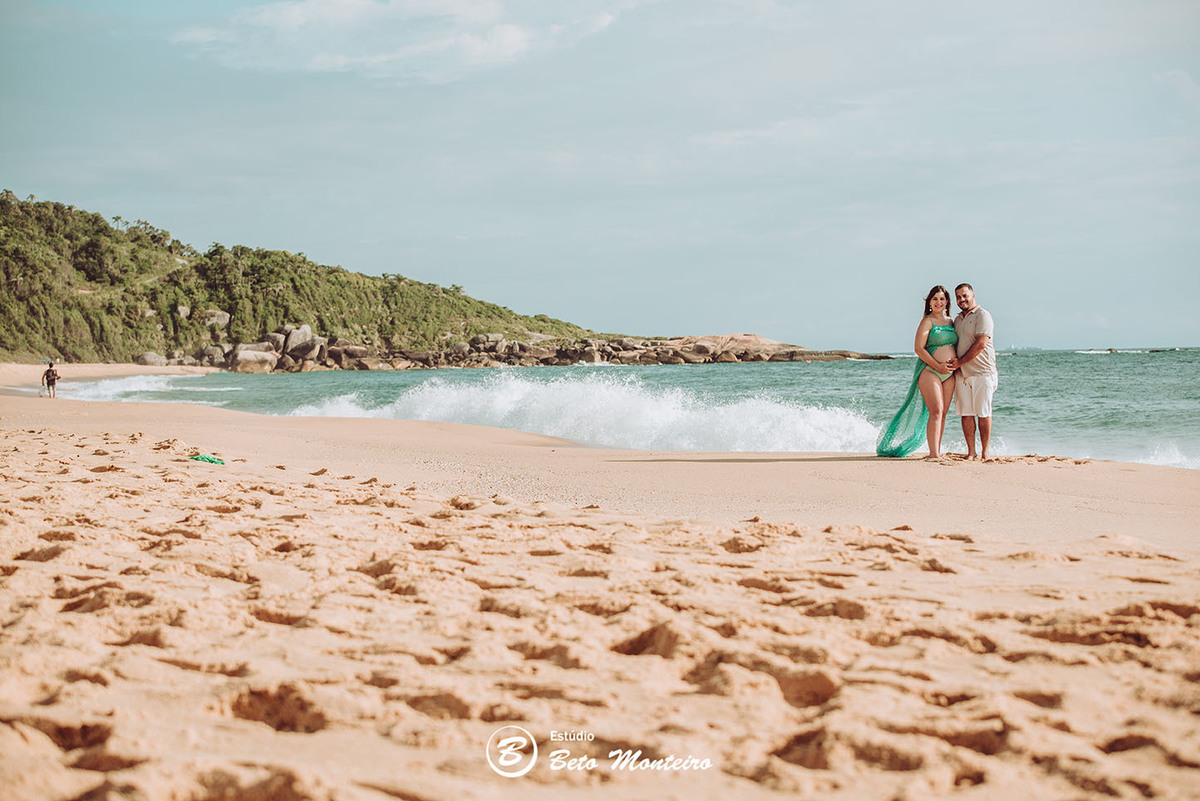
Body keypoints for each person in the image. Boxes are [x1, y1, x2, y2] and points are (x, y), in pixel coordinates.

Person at [876, 286, 958, 459]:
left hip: (950, 373)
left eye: (942, 299)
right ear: (929, 302)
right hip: (931, 372)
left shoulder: (951, 322)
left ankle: (937, 449)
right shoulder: (927, 321)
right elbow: (919, 349)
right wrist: (938, 366)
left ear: (947, 302)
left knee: (943, 414)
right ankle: (933, 454)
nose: (938, 302)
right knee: (936, 411)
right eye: (935, 299)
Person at [947, 283, 997, 460]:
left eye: (964, 296)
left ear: (973, 295)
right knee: (966, 413)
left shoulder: (983, 315)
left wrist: (960, 361)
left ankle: (985, 452)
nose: (961, 300)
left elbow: (981, 344)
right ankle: (971, 452)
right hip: (961, 374)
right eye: (958, 297)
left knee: (984, 412)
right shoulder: (957, 319)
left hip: (982, 372)